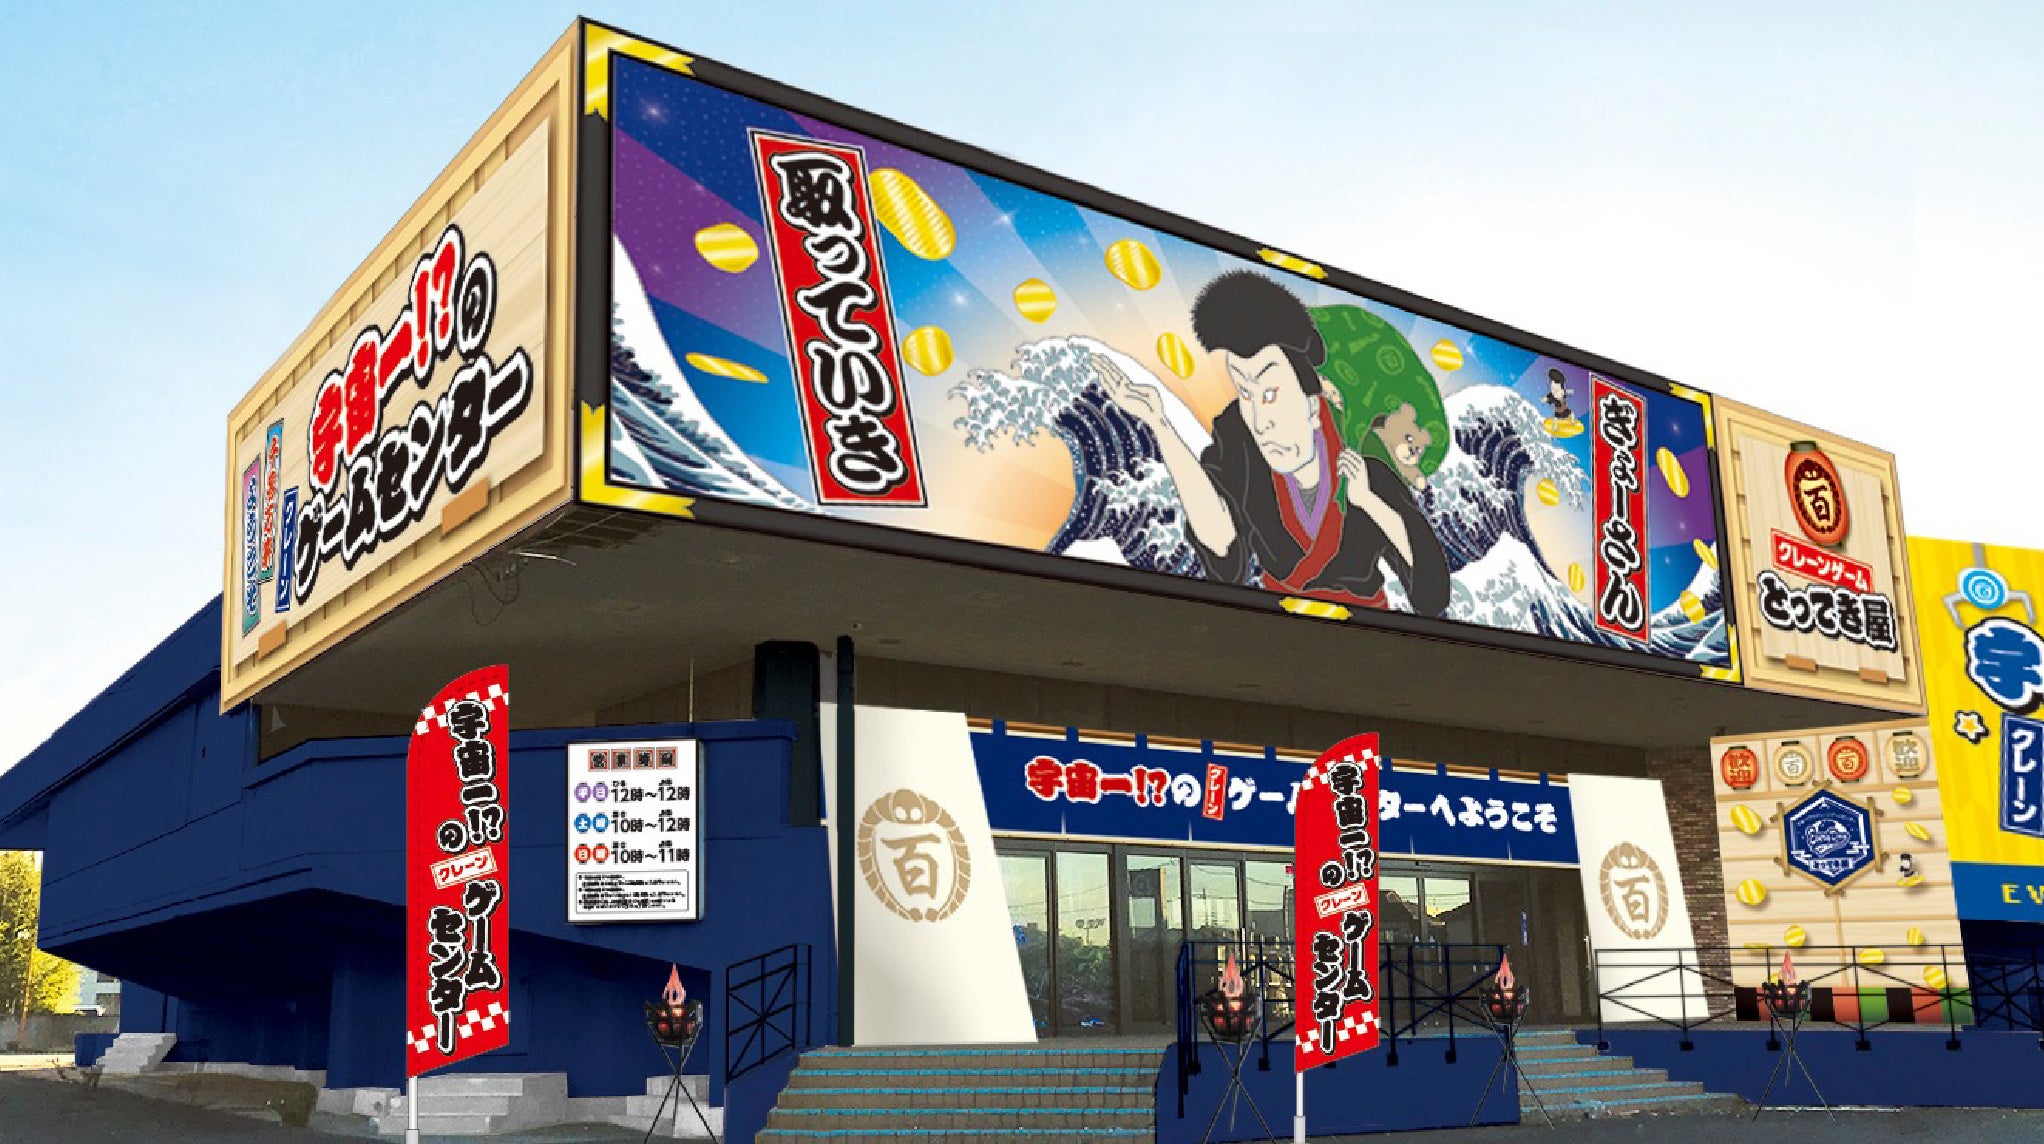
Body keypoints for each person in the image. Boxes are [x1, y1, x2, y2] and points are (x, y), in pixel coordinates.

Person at [1098, 270, 1450, 615]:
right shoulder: (1238, 441)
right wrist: (1160, 424)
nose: (1259, 421)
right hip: (1272, 629)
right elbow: (1223, 548)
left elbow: (1433, 593)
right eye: (1244, 392)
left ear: (1313, 402)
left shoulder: (1363, 456)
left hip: (1367, 635)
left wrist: (1369, 502)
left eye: (1270, 394)